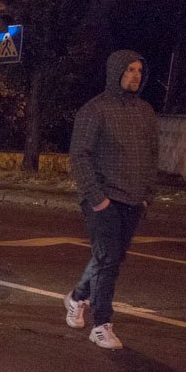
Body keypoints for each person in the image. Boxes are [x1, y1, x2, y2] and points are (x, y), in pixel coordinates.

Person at [63, 50, 157, 350]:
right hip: (104, 198)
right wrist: (97, 198)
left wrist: (146, 196)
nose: (135, 75)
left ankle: (77, 296)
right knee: (108, 260)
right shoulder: (95, 110)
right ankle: (101, 324)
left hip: (133, 200)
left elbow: (153, 155)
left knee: (111, 258)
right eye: (129, 70)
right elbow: (80, 156)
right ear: (116, 71)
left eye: (139, 70)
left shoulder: (145, 111)